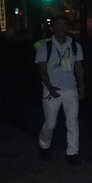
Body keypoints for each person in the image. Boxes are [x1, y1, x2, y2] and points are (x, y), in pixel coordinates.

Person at [35, 15, 85, 163]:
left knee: (72, 123)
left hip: (71, 89)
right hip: (52, 90)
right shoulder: (46, 47)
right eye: (58, 25)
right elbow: (42, 70)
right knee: (50, 123)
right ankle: (44, 145)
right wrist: (50, 88)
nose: (62, 27)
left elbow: (79, 68)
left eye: (64, 24)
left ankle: (72, 153)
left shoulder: (75, 46)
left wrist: (81, 86)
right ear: (52, 28)